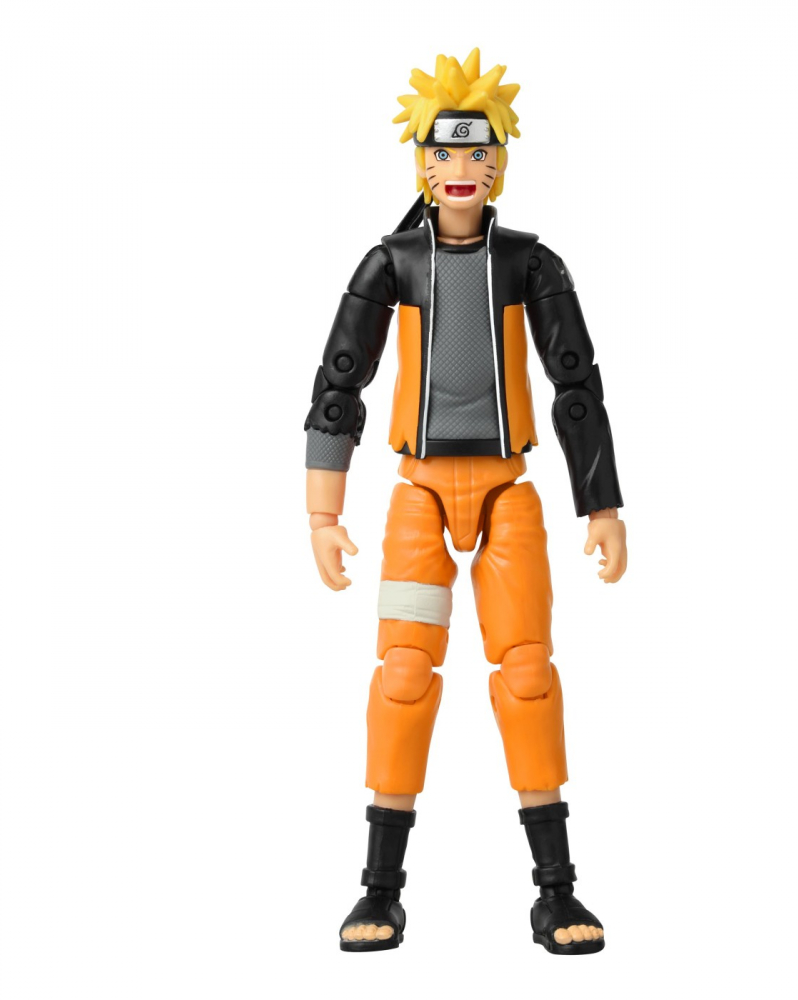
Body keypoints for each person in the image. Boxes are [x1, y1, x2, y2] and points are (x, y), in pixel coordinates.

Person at [305, 49, 627, 955]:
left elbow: (574, 384)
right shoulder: (392, 262)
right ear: (420, 162)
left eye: (477, 152)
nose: (459, 168)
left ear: (500, 164)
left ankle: (557, 890)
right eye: (443, 152)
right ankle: (378, 888)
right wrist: (323, 510)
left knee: (527, 672)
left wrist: (601, 504)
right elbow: (341, 380)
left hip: (507, 492)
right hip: (417, 494)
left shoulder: (530, 263)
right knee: (404, 673)